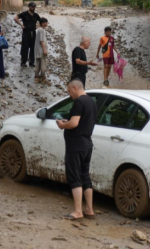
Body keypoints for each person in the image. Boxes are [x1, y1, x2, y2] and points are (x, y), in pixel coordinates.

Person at [56, 79, 98, 221]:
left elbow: (74, 123)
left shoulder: (79, 102)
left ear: (75, 88)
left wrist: (62, 125)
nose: (69, 95)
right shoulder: (92, 102)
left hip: (76, 145)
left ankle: (78, 211)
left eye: (69, 91)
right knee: (85, 176)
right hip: (87, 143)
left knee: (75, 177)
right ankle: (89, 210)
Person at [14, 2, 41, 67]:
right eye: (32, 7)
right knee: (25, 47)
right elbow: (15, 18)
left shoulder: (36, 15)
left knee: (33, 47)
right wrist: (21, 25)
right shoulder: (24, 14)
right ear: (29, 7)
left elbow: (41, 21)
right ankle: (23, 62)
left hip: (33, 32)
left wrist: (37, 26)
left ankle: (31, 62)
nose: (33, 8)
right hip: (26, 32)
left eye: (34, 7)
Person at [34, 18, 51, 85]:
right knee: (43, 63)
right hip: (41, 50)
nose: (46, 24)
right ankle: (43, 77)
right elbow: (41, 41)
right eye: (45, 22)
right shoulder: (41, 30)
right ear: (43, 23)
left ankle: (36, 77)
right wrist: (44, 49)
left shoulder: (37, 30)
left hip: (37, 49)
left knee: (37, 63)